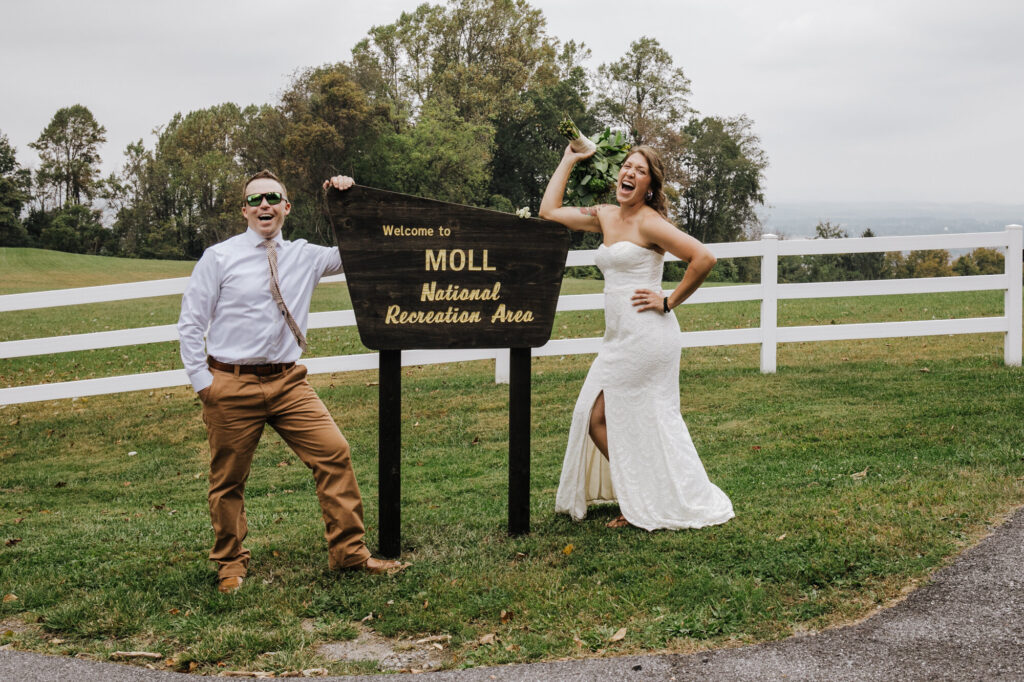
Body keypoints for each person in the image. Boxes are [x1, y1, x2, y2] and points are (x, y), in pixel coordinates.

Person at [178, 170, 405, 594]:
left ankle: (349, 553)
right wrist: (203, 383)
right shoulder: (219, 257)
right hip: (230, 383)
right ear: (244, 210)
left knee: (334, 452)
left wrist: (345, 198)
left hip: (288, 383)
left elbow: (360, 247)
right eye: (255, 199)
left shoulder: (307, 255)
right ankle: (230, 564)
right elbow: (191, 323)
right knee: (228, 480)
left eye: (273, 197)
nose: (264, 205)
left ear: (286, 206)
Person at [539, 144, 734, 530]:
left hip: (648, 337)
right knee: (595, 418)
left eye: (639, 170)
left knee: (610, 417)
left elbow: (704, 258)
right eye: (625, 167)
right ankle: (642, 493)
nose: (628, 173)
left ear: (649, 185)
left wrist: (668, 301)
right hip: (617, 338)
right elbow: (549, 212)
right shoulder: (605, 215)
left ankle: (640, 501)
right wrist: (569, 159)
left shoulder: (650, 223)